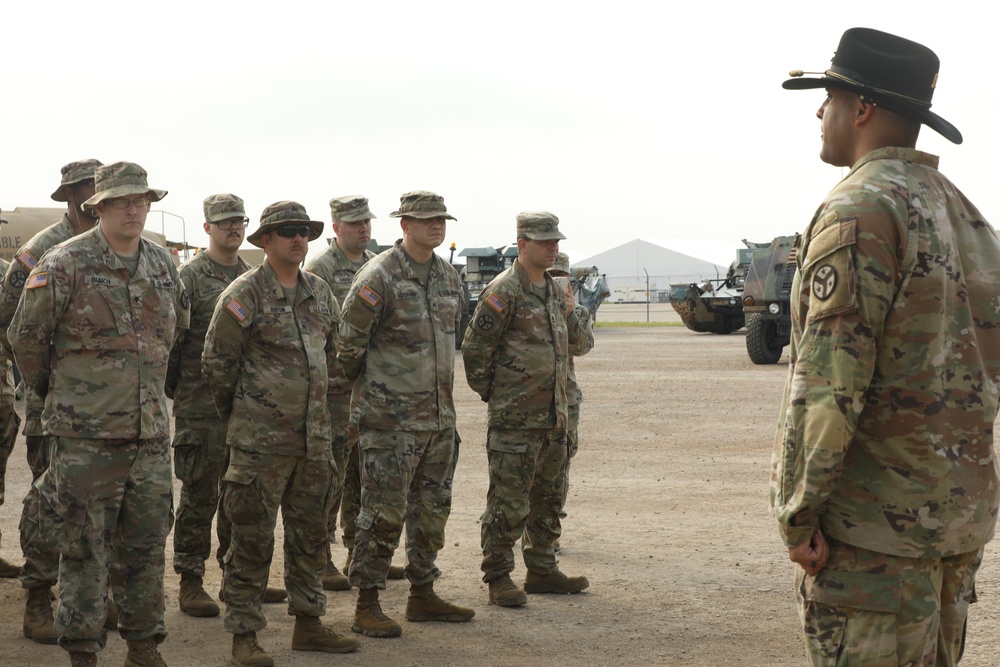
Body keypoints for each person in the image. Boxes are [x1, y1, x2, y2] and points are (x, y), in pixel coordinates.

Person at [773, 28, 1000, 666]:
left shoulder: (860, 210)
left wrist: (798, 510)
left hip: (874, 537)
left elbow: (828, 384)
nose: (821, 112)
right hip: (952, 522)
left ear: (863, 108)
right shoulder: (967, 215)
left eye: (830, 98)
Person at [9, 161, 189, 667]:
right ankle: (83, 652)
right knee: (84, 552)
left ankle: (143, 647)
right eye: (121, 201)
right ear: (99, 207)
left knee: (148, 551)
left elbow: (177, 332)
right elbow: (27, 340)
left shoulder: (162, 264)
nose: (134, 209)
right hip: (84, 441)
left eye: (141, 200)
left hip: (150, 439)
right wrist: (67, 399)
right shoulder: (63, 263)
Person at [202, 201, 357, 667]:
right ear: (265, 241)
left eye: (303, 231)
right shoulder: (244, 294)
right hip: (259, 445)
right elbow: (217, 364)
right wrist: (246, 416)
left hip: (313, 442)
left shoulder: (319, 292)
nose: (297, 239)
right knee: (251, 540)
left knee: (310, 537)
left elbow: (334, 357)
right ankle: (244, 636)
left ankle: (308, 624)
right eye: (287, 231)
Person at [338, 190, 474, 638]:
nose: (436, 225)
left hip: (438, 421)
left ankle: (422, 593)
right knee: (382, 514)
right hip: (389, 423)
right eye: (425, 219)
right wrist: (375, 402)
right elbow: (347, 348)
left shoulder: (448, 278)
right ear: (404, 225)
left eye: (441, 219)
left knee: (432, 511)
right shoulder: (378, 276)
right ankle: (367, 603)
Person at [0, 160, 108, 645]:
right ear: (69, 195)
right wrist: (47, 385)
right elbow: (11, 322)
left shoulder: (117, 248)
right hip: (57, 405)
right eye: (89, 189)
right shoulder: (42, 250)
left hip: (112, 408)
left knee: (101, 505)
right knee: (52, 501)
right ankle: (38, 595)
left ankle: (84, 595)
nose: (95, 196)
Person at [462, 211, 593, 608]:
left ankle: (541, 568)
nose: (553, 247)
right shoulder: (505, 291)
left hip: (555, 416)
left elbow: (577, 345)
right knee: (508, 501)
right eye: (544, 241)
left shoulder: (554, 291)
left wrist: (571, 309)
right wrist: (501, 397)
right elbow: (475, 351)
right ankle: (499, 577)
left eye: (556, 241)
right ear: (522, 244)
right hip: (515, 419)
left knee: (550, 495)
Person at [304, 195, 407, 591]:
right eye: (354, 223)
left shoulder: (376, 264)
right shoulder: (320, 269)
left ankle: (356, 552)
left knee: (361, 478)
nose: (363, 229)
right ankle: (319, 558)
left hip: (371, 392)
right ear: (336, 228)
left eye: (366, 221)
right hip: (333, 391)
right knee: (329, 477)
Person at [166, 194, 261, 618]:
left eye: (239, 220)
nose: (233, 228)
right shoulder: (188, 278)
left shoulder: (252, 277)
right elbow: (171, 345)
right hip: (200, 408)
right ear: (207, 228)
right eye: (224, 222)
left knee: (237, 496)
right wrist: (184, 395)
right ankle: (190, 580)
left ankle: (232, 578)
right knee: (200, 495)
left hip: (242, 410)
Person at [545, 252, 593, 542]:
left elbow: (582, 347)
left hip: (566, 399)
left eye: (561, 277)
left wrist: (568, 312)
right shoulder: (522, 306)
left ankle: (549, 531)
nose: (555, 282)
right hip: (529, 400)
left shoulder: (577, 313)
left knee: (560, 465)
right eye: (550, 276)